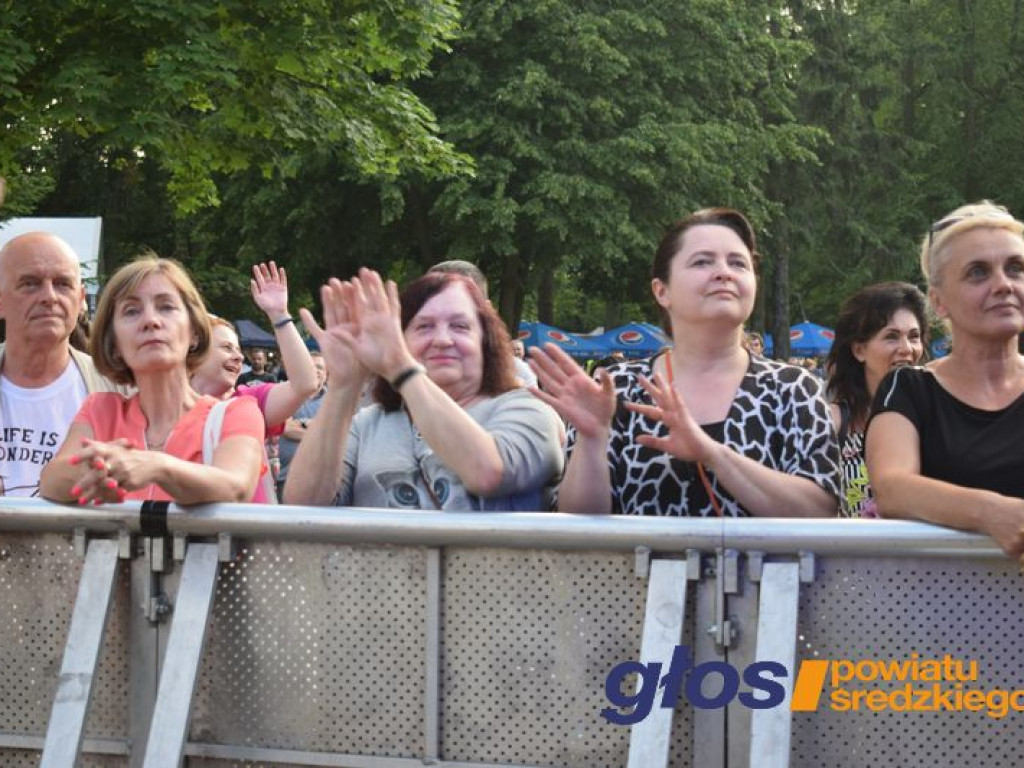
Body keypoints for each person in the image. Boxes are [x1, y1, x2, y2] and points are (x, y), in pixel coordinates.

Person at [529, 207, 841, 517]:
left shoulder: (793, 387)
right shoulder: (618, 387)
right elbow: (579, 523)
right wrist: (592, 438)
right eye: (702, 262)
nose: (724, 272)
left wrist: (712, 454)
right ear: (662, 291)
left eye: (738, 263)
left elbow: (821, 510)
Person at [283, 269, 564, 511]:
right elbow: (304, 506)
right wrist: (344, 386)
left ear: (485, 341)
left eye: (460, 326)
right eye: (424, 327)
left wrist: (400, 367)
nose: (442, 339)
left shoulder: (528, 411)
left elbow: (488, 472)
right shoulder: (368, 423)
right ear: (402, 338)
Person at [866, 201, 1024, 557]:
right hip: (939, 605)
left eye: (1015, 268)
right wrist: (990, 513)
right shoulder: (907, 388)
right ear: (939, 302)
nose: (1003, 285)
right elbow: (892, 488)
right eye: (978, 273)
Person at [39, 256, 265, 505]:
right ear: (114, 344)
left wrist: (157, 466)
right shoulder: (101, 409)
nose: (150, 320)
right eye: (132, 311)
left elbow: (235, 486)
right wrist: (97, 472)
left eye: (166, 307)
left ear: (195, 333)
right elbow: (50, 479)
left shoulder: (236, 412)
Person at [0, 233, 122, 496]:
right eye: (30, 284)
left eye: (63, 284)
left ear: (80, 300)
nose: (49, 297)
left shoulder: (117, 389)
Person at [825, 282, 927, 517]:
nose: (906, 348)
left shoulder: (936, 417)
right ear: (859, 350)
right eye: (891, 337)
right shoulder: (833, 423)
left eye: (914, 337)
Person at [427, 260, 538, 388]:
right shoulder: (408, 368)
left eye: (458, 304)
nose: (442, 339)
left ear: (486, 311)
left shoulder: (516, 375)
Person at [275, 352, 327, 498]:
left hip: (320, 478)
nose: (316, 370)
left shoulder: (333, 402)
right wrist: (318, 430)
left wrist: (298, 423)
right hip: (286, 477)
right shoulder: (287, 393)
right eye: (311, 366)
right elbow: (285, 428)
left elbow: (334, 436)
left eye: (320, 367)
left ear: (326, 374)